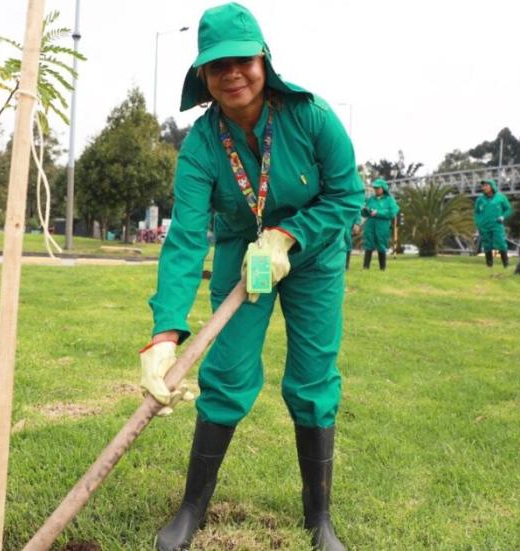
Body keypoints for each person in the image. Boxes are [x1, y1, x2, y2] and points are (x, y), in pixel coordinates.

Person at [138, 4, 361, 550]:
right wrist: (165, 333)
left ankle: (320, 518)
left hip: (312, 254)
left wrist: (289, 235)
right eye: (218, 67)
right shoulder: (200, 147)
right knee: (227, 375)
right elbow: (187, 238)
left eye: (243, 60)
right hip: (242, 256)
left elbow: (347, 194)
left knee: (312, 380)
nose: (232, 74)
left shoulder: (311, 116)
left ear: (265, 61)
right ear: (204, 79)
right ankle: (192, 508)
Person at [360, 178, 399, 270]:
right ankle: (366, 267)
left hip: (382, 226)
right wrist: (365, 210)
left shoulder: (389, 200)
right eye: (375, 188)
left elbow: (392, 213)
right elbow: (363, 213)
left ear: (383, 188)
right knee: (368, 244)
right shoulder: (370, 199)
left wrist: (378, 213)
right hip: (370, 225)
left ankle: (383, 267)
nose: (376, 190)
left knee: (381, 244)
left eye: (378, 188)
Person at [474, 179, 512, 268]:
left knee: (501, 243)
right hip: (484, 226)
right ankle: (489, 265)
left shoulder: (500, 197)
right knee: (487, 244)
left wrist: (503, 216)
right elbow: (476, 212)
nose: (484, 187)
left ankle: (506, 264)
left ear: (492, 186)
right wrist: (478, 223)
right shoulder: (480, 199)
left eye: (487, 185)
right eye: (483, 186)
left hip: (497, 224)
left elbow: (508, 209)